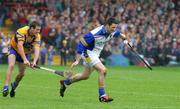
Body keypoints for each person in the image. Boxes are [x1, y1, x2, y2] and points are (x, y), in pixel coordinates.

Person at [59, 17, 126, 102]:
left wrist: (122, 36)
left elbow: (117, 33)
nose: (114, 29)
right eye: (113, 27)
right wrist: (77, 60)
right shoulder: (95, 33)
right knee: (103, 70)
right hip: (88, 53)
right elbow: (81, 43)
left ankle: (65, 83)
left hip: (95, 54)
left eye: (115, 27)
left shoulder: (111, 31)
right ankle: (102, 96)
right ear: (107, 25)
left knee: (85, 76)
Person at [2, 21, 41, 97]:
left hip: (25, 52)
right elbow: (20, 46)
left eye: (39, 30)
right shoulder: (22, 31)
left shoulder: (37, 36)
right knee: (11, 65)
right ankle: (6, 87)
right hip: (14, 49)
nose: (38, 32)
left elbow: (37, 49)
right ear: (32, 28)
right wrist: (25, 59)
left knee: (22, 74)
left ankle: (14, 86)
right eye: (37, 29)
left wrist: (34, 61)